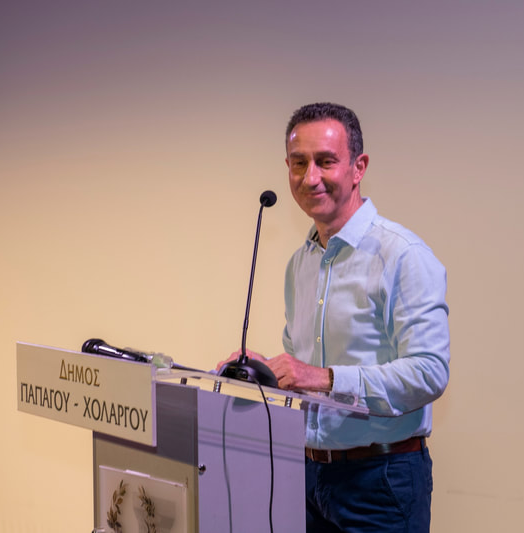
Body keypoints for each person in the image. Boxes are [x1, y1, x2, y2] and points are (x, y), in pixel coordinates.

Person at [218, 102, 450, 532]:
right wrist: (263, 372)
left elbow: (429, 373)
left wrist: (322, 378)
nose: (310, 178)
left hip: (381, 481)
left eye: (325, 161)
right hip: (306, 475)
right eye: (299, 163)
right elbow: (303, 372)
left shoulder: (403, 256)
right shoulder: (300, 263)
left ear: (358, 167)